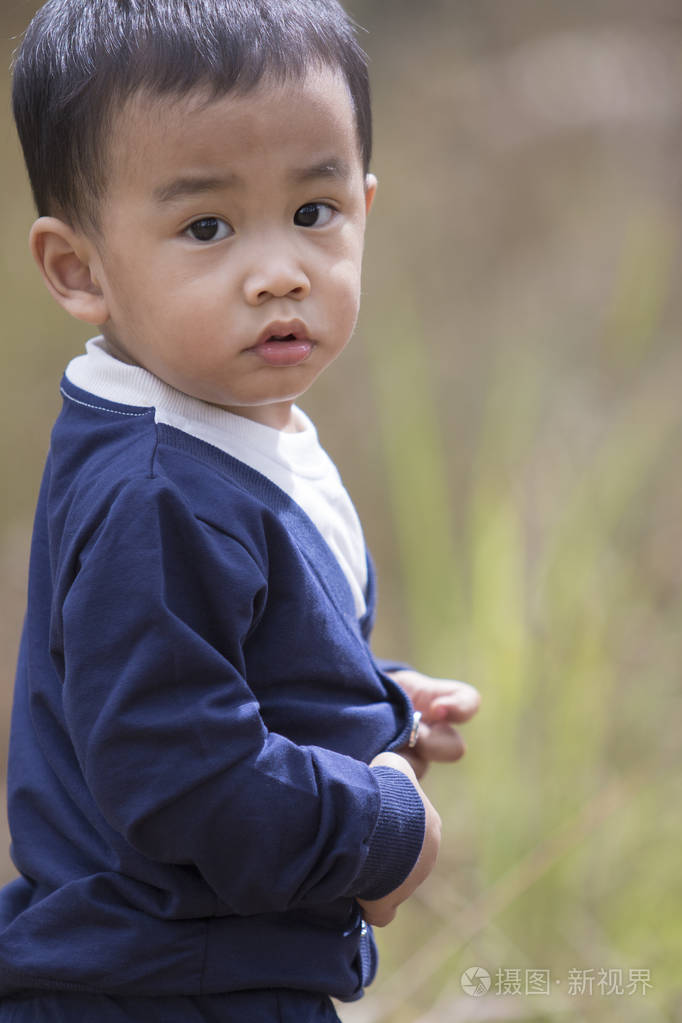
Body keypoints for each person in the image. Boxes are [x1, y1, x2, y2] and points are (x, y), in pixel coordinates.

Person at [0, 1, 480, 1020]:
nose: (279, 273)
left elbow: (210, 661)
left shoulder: (220, 426)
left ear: (364, 205)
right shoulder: (157, 491)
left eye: (315, 212)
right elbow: (180, 773)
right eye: (206, 227)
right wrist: (387, 825)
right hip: (162, 987)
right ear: (79, 268)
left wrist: (373, 702)